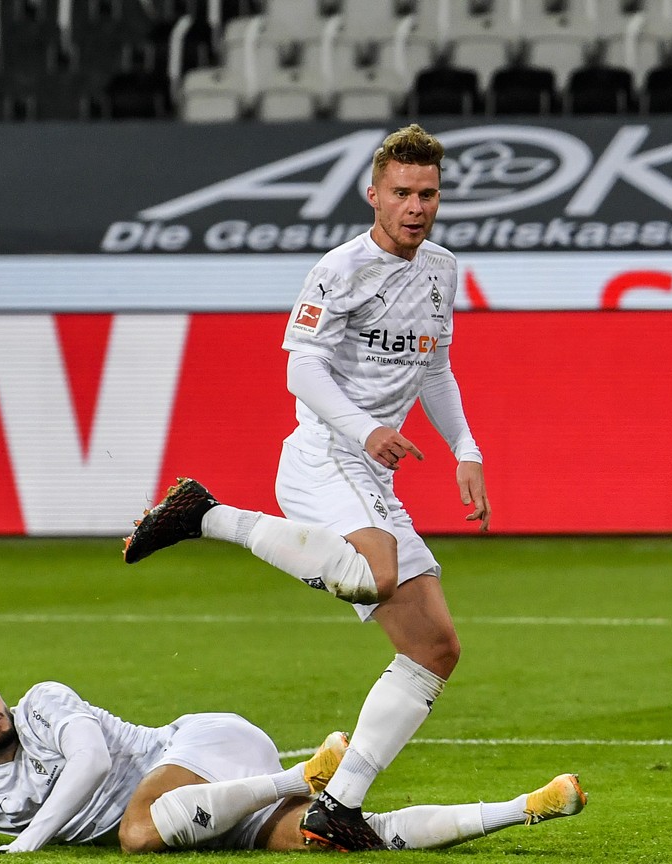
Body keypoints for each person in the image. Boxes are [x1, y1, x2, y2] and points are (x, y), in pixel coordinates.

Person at [122, 123, 491, 850]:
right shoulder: (339, 269)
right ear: (373, 195)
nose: (417, 206)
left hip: (375, 468)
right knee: (377, 573)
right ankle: (207, 518)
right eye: (402, 193)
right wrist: (363, 429)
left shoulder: (442, 270)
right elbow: (301, 369)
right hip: (326, 454)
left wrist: (466, 449)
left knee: (435, 647)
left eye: (429, 194)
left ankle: (339, 804)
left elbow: (435, 366)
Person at [0, 657, 585, 853]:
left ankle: (301, 773)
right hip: (210, 810)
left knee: (136, 832)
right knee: (331, 837)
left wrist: (28, 843)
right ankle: (527, 806)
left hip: (203, 746)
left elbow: (87, 766)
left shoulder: (47, 703)